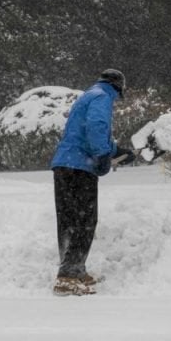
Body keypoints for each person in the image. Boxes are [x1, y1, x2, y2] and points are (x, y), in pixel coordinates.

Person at [49, 68, 134, 296]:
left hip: (65, 164)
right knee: (85, 220)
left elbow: (85, 131)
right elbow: (96, 127)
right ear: (118, 87)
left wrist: (118, 150)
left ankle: (74, 270)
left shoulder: (89, 94)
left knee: (69, 219)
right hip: (79, 167)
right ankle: (67, 276)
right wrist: (102, 155)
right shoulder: (102, 97)